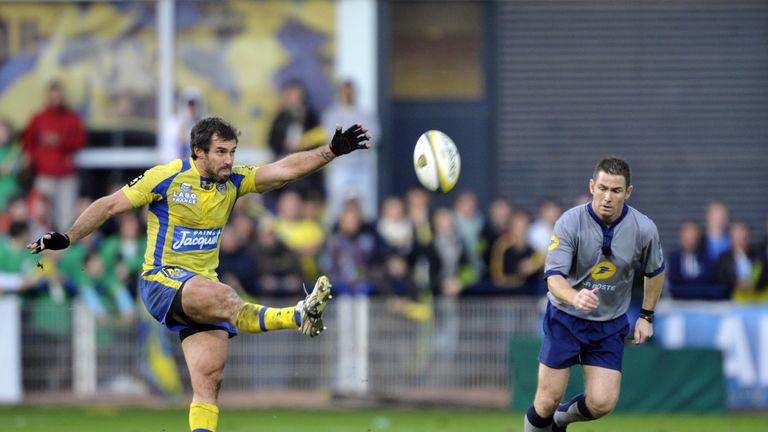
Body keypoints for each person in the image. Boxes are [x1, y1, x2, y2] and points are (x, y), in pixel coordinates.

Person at [28, 116, 371, 432]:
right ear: (198, 151)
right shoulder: (166, 177)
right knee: (227, 297)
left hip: (202, 290)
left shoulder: (234, 181)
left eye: (232, 152)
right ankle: (297, 315)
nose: (228, 160)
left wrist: (330, 151)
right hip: (162, 281)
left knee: (209, 380)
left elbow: (283, 170)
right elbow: (108, 205)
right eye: (221, 152)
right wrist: (68, 237)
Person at [524, 157, 665, 432]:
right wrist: (574, 297)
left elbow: (655, 271)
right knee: (546, 400)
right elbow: (553, 278)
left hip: (609, 323)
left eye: (615, 190)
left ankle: (560, 420)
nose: (607, 197)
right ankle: (547, 419)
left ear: (628, 192)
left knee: (602, 403)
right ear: (591, 186)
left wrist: (646, 316)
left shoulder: (644, 228)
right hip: (565, 318)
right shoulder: (569, 222)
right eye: (602, 188)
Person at [22, 81, 87, 231]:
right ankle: (39, 243)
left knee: (66, 217)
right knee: (40, 215)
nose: (55, 100)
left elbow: (81, 141)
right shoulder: (39, 118)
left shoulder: (72, 118)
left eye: (58, 96)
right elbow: (28, 142)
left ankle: (63, 244)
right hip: (44, 174)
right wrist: (32, 158)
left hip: (66, 176)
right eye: (53, 97)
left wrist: (61, 142)